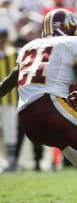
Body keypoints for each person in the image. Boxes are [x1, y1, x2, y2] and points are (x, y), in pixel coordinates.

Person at [0, 9, 77, 203]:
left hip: (26, 117)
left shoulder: (29, 46)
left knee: (68, 148)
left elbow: (8, 83)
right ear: (70, 27)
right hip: (50, 105)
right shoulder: (74, 42)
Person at [0, 27, 18, 172]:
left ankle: (11, 163)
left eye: (4, 36)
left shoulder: (14, 53)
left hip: (10, 100)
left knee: (10, 130)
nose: (2, 39)